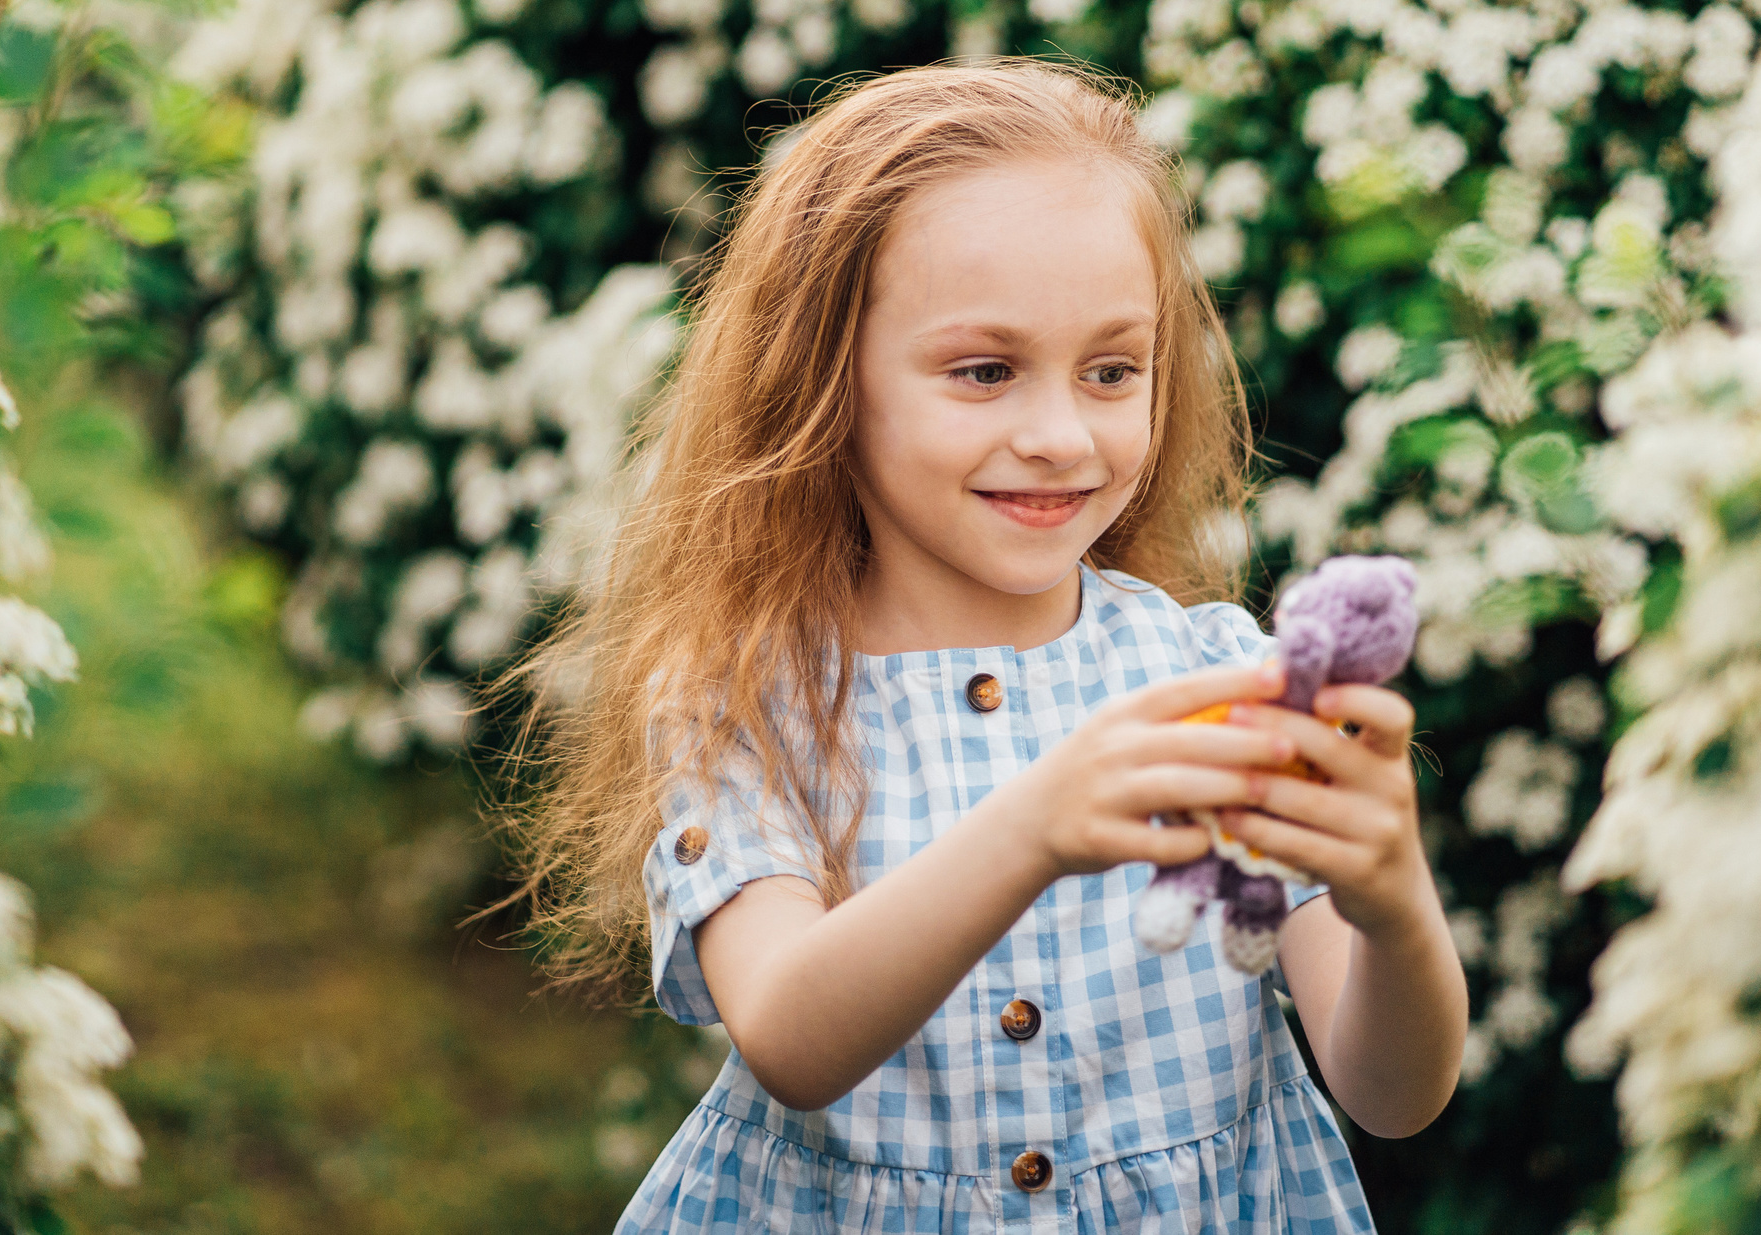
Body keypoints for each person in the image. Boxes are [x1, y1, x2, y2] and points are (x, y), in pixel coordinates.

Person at [504, 59, 1467, 1232]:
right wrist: (1036, 826)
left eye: (1112, 371)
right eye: (984, 371)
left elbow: (1391, 1098)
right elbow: (793, 1040)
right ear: (825, 380)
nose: (1061, 434)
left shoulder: (1217, 683)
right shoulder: (746, 698)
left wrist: (1390, 903)